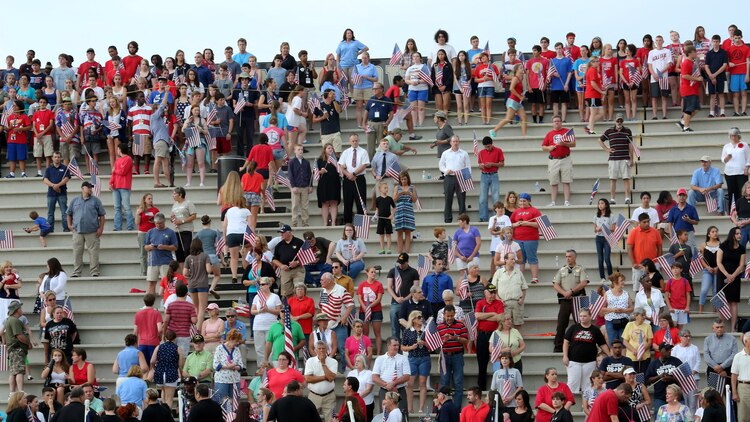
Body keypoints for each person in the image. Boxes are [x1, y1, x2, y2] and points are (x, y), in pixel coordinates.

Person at [563, 308, 610, 395]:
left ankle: (586, 406)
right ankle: (567, 406)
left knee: (587, 385)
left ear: (590, 317)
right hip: (573, 360)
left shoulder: (595, 330)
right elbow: (566, 341)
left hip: (589, 362)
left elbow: (602, 344)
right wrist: (565, 356)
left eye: (584, 316)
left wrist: (609, 355)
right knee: (572, 383)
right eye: (581, 316)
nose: (582, 318)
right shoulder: (574, 327)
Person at [552, 249, 590, 352]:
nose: (568, 258)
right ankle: (558, 345)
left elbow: (584, 282)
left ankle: (582, 344)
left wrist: (571, 291)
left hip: (578, 298)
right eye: (566, 256)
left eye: (570, 256)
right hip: (565, 299)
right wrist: (565, 293)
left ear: (575, 257)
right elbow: (555, 284)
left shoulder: (581, 269)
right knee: (561, 323)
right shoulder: (562, 270)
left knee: (581, 322)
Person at [66, 181, 106, 277]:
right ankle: (77, 272)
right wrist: (69, 225)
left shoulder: (96, 201)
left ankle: (94, 272)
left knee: (93, 252)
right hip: (77, 231)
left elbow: (102, 215)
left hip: (92, 231)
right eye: (88, 188)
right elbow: (69, 213)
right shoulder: (75, 200)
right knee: (77, 252)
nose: (90, 189)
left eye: (91, 188)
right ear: (82, 189)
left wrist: (101, 228)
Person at [319, 272, 355, 372]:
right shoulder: (323, 291)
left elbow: (350, 304)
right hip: (326, 324)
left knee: (342, 348)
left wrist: (344, 317)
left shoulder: (341, 290)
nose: (321, 282)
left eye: (323, 280)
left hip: (339, 324)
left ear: (330, 280)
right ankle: (328, 370)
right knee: (326, 348)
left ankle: (344, 370)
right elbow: (322, 306)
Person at [598, 114, 634, 204]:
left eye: (621, 121)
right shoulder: (609, 131)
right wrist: (607, 149)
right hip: (613, 158)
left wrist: (632, 158)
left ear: (623, 121)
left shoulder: (628, 131)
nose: (619, 122)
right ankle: (612, 199)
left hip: (625, 157)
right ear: (615, 121)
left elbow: (630, 145)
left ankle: (627, 198)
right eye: (618, 121)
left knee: (626, 178)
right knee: (613, 179)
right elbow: (600, 140)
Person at [437, 305, 468, 406]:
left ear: (454, 314)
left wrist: (456, 338)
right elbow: (435, 344)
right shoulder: (439, 326)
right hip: (444, 357)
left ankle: (456, 409)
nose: (449, 318)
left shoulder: (461, 325)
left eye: (451, 315)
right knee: (445, 383)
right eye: (447, 316)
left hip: (457, 356)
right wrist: (444, 340)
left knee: (458, 383)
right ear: (444, 315)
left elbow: (466, 340)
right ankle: (445, 407)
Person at [475, 284, 504, 391]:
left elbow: (500, 318)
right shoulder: (480, 303)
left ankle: (498, 388)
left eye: (494, 293)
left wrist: (485, 316)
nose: (492, 295)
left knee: (497, 363)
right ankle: (481, 388)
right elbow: (477, 316)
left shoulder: (499, 303)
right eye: (490, 293)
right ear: (485, 293)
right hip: (482, 335)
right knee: (482, 364)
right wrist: (492, 313)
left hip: (495, 335)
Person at [542, 115, 576, 206]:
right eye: (555, 121)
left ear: (561, 122)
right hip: (553, 160)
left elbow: (573, 144)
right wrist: (549, 148)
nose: (557, 122)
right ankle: (553, 202)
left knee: (566, 181)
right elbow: (543, 147)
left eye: (558, 121)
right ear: (552, 123)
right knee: (553, 182)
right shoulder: (549, 134)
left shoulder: (567, 132)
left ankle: (567, 201)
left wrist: (564, 143)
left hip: (565, 158)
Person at [401, 310, 430, 414]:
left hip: (424, 358)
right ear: (413, 319)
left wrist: (425, 343)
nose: (421, 318)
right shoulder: (407, 331)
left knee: (422, 383)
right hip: (412, 358)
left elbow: (432, 347)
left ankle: (421, 408)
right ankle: (410, 408)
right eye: (418, 317)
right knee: (409, 384)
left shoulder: (426, 330)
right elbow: (402, 347)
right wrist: (411, 347)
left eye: (421, 317)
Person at [717, 227, 745, 330]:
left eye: (740, 233)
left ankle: (733, 328)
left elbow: (742, 264)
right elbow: (718, 262)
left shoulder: (742, 248)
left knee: (733, 301)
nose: (739, 235)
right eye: (737, 233)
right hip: (722, 276)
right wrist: (727, 275)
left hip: (735, 277)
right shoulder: (723, 245)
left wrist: (733, 275)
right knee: (721, 300)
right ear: (732, 235)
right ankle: (720, 327)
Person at [387, 253, 420, 341]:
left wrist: (406, 298)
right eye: (400, 263)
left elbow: (415, 288)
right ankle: (396, 350)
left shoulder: (414, 272)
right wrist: (396, 298)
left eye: (403, 263)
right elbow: (389, 287)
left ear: (407, 261)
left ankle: (407, 348)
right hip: (395, 302)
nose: (401, 265)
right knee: (395, 328)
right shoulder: (393, 271)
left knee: (408, 327)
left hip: (409, 303)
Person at [144, 213, 178, 295]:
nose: (158, 225)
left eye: (160, 223)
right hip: (153, 261)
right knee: (151, 282)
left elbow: (175, 247)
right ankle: (150, 304)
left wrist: (164, 247)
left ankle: (167, 302)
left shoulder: (171, 232)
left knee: (167, 283)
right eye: (156, 223)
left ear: (164, 221)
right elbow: (145, 247)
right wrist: (150, 247)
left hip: (166, 261)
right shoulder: (150, 232)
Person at [510, 193, 542, 284]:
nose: (522, 202)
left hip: (531, 239)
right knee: (521, 259)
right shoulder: (516, 211)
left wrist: (527, 223)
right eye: (521, 201)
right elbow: (509, 224)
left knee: (532, 258)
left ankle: (535, 278)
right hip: (518, 238)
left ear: (529, 201)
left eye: (524, 201)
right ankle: (520, 278)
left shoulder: (535, 211)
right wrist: (515, 224)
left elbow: (540, 224)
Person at [338, 134, 369, 224]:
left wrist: (354, 173)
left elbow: (364, 165)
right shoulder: (346, 152)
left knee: (360, 202)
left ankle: (360, 225)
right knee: (348, 202)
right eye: (353, 141)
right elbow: (341, 166)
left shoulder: (363, 151)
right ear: (349, 141)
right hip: (348, 180)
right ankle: (348, 224)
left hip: (359, 178)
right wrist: (348, 175)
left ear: (358, 141)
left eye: (356, 140)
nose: (355, 142)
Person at [250, 277, 281, 367]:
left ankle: (271, 367)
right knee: (259, 348)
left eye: (263, 284)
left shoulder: (275, 297)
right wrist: (260, 311)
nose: (261, 286)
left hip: (271, 325)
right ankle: (261, 367)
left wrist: (268, 310)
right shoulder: (257, 296)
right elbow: (252, 311)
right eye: (260, 284)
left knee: (271, 348)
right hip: (258, 325)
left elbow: (278, 311)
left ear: (269, 285)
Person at [439, 135, 470, 223]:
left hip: (461, 177)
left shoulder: (464, 153)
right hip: (449, 177)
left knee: (462, 199)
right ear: (450, 143)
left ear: (459, 142)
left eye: (457, 141)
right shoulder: (445, 153)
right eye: (454, 141)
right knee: (448, 198)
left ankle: (463, 219)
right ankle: (448, 219)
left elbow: (468, 167)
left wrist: (467, 179)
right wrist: (446, 170)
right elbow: (441, 165)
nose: (455, 143)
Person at [627, 213, 663, 289]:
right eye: (644, 222)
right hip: (639, 265)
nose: (647, 224)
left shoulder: (655, 232)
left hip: (653, 265)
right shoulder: (634, 232)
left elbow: (659, 247)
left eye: (648, 221)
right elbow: (629, 248)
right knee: (638, 288)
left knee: (655, 288)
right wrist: (633, 263)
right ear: (639, 222)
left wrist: (658, 260)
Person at [305, 341, 339, 422]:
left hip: (329, 396)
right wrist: (325, 377)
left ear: (327, 349)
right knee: (311, 419)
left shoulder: (333, 361)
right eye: (319, 348)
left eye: (323, 348)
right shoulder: (310, 361)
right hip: (313, 396)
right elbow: (308, 379)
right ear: (315, 350)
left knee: (331, 420)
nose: (321, 350)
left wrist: (323, 363)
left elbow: (331, 378)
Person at [646, 342, 683, 413]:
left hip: (676, 396)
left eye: (670, 349)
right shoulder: (654, 363)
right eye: (667, 349)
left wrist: (671, 378)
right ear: (660, 351)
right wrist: (659, 376)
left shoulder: (676, 361)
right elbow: (648, 380)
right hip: (660, 397)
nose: (669, 351)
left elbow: (684, 376)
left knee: (678, 417)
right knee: (660, 418)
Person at [5, 300, 31, 393]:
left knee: (13, 371)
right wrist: (28, 343)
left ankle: (12, 392)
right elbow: (19, 336)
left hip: (12, 349)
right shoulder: (15, 321)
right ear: (16, 310)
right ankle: (20, 391)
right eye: (20, 308)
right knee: (19, 371)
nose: (21, 309)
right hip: (17, 349)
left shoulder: (9, 320)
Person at [476, 137, 504, 222]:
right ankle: (483, 217)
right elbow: (479, 164)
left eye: (488, 146)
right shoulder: (481, 152)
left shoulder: (498, 150)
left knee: (496, 197)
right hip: (484, 175)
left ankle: (496, 217)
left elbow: (502, 164)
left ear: (492, 144)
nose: (487, 148)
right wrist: (481, 166)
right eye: (485, 147)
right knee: (483, 198)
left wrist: (492, 164)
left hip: (494, 175)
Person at [704, 319, 737, 390]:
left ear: (724, 328)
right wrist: (718, 368)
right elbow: (706, 356)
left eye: (721, 327)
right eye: (717, 327)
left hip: (728, 369)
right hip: (713, 369)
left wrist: (722, 366)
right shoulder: (708, 339)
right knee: (713, 393)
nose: (720, 329)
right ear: (713, 328)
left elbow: (734, 354)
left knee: (729, 392)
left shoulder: (732, 339)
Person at [42, 151, 70, 233]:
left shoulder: (65, 168)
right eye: (55, 157)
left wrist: (58, 185)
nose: (57, 158)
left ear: (60, 158)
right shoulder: (48, 169)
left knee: (64, 212)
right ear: (52, 158)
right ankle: (50, 229)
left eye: (58, 157)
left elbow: (67, 178)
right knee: (50, 212)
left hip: (62, 193)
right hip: (51, 194)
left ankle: (66, 228)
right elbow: (45, 179)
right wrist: (54, 186)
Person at [364, 83, 393, 160]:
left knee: (382, 143)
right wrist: (364, 124)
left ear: (381, 89)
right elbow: (366, 111)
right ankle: (370, 161)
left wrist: (388, 121)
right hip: (371, 123)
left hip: (382, 124)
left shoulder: (387, 100)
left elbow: (391, 113)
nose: (374, 90)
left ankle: (381, 160)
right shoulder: (371, 99)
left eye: (376, 89)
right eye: (373, 89)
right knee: (370, 144)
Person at [621, 307, 654, 373]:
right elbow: (625, 341)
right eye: (642, 315)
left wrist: (641, 351)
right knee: (633, 374)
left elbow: (650, 342)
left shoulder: (648, 326)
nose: (644, 317)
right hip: (631, 356)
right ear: (636, 315)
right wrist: (634, 351)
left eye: (644, 315)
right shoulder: (629, 325)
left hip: (644, 356)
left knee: (643, 375)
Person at [722, 127, 749, 205]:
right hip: (729, 172)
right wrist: (727, 158)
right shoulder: (726, 146)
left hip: (741, 172)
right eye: (731, 136)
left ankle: (743, 209)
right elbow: (723, 159)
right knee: (731, 192)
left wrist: (747, 167)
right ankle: (733, 210)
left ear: (738, 136)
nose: (733, 137)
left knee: (742, 192)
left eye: (735, 135)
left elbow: (748, 157)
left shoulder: (744, 145)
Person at [348, 355, 375, 421]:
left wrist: (356, 398)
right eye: (356, 361)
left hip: (366, 403)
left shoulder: (369, 373)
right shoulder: (351, 373)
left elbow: (368, 389)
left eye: (358, 361)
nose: (356, 362)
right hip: (353, 403)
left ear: (364, 363)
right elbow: (348, 387)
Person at [731, 332, 750, 421]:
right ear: (746, 341)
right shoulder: (738, 356)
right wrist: (734, 392)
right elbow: (734, 375)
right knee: (743, 416)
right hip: (743, 388)